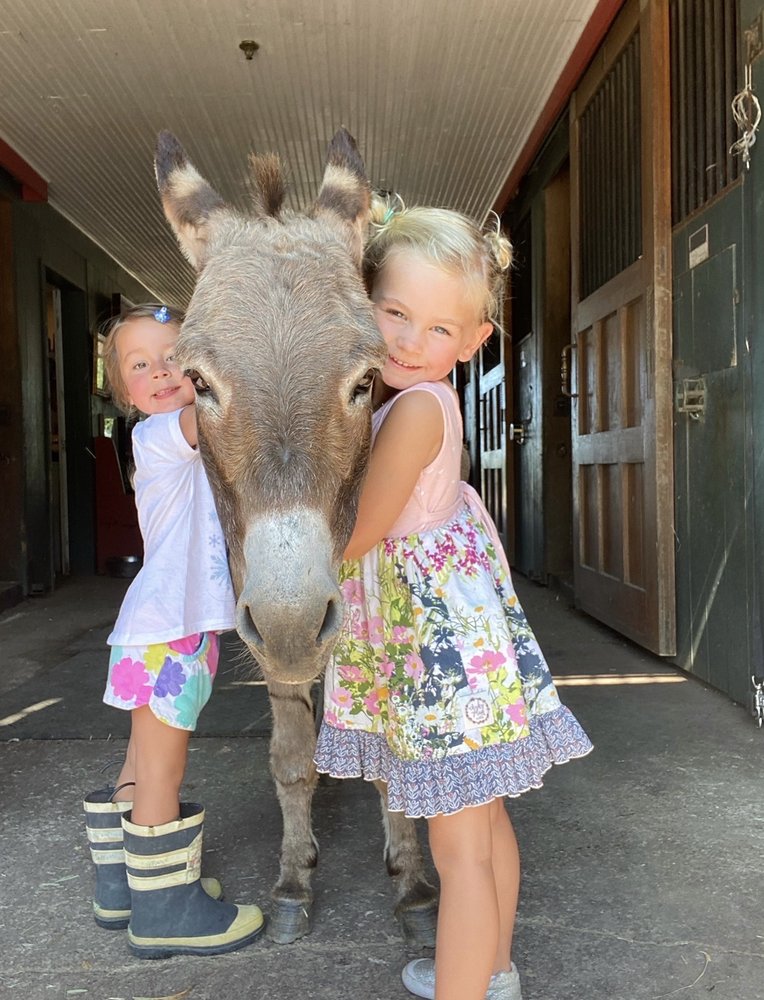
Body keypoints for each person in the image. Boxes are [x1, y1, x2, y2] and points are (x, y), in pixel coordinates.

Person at [314, 201, 593, 1000]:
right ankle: (491, 968)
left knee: (459, 849)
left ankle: (464, 986)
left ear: (474, 343)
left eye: (439, 330)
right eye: (395, 312)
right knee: (483, 824)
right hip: (459, 658)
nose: (409, 341)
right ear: (362, 297)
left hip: (441, 666)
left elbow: (358, 535)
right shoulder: (421, 398)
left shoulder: (414, 411)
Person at [82, 303, 264, 959]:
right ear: (123, 389)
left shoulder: (167, 437)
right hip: (170, 633)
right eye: (140, 364)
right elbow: (220, 411)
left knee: (140, 760)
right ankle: (165, 911)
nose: (160, 372)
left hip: (154, 629)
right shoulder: (163, 434)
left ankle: (123, 887)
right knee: (163, 769)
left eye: (172, 357)